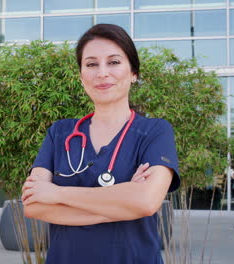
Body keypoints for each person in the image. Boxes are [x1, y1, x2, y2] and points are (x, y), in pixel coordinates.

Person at [21, 24, 180, 264]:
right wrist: (121, 205)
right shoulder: (60, 133)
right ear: (81, 76)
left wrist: (57, 193)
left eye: (114, 62)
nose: (102, 73)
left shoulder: (155, 131)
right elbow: (33, 207)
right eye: (91, 64)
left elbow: (146, 202)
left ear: (134, 73)